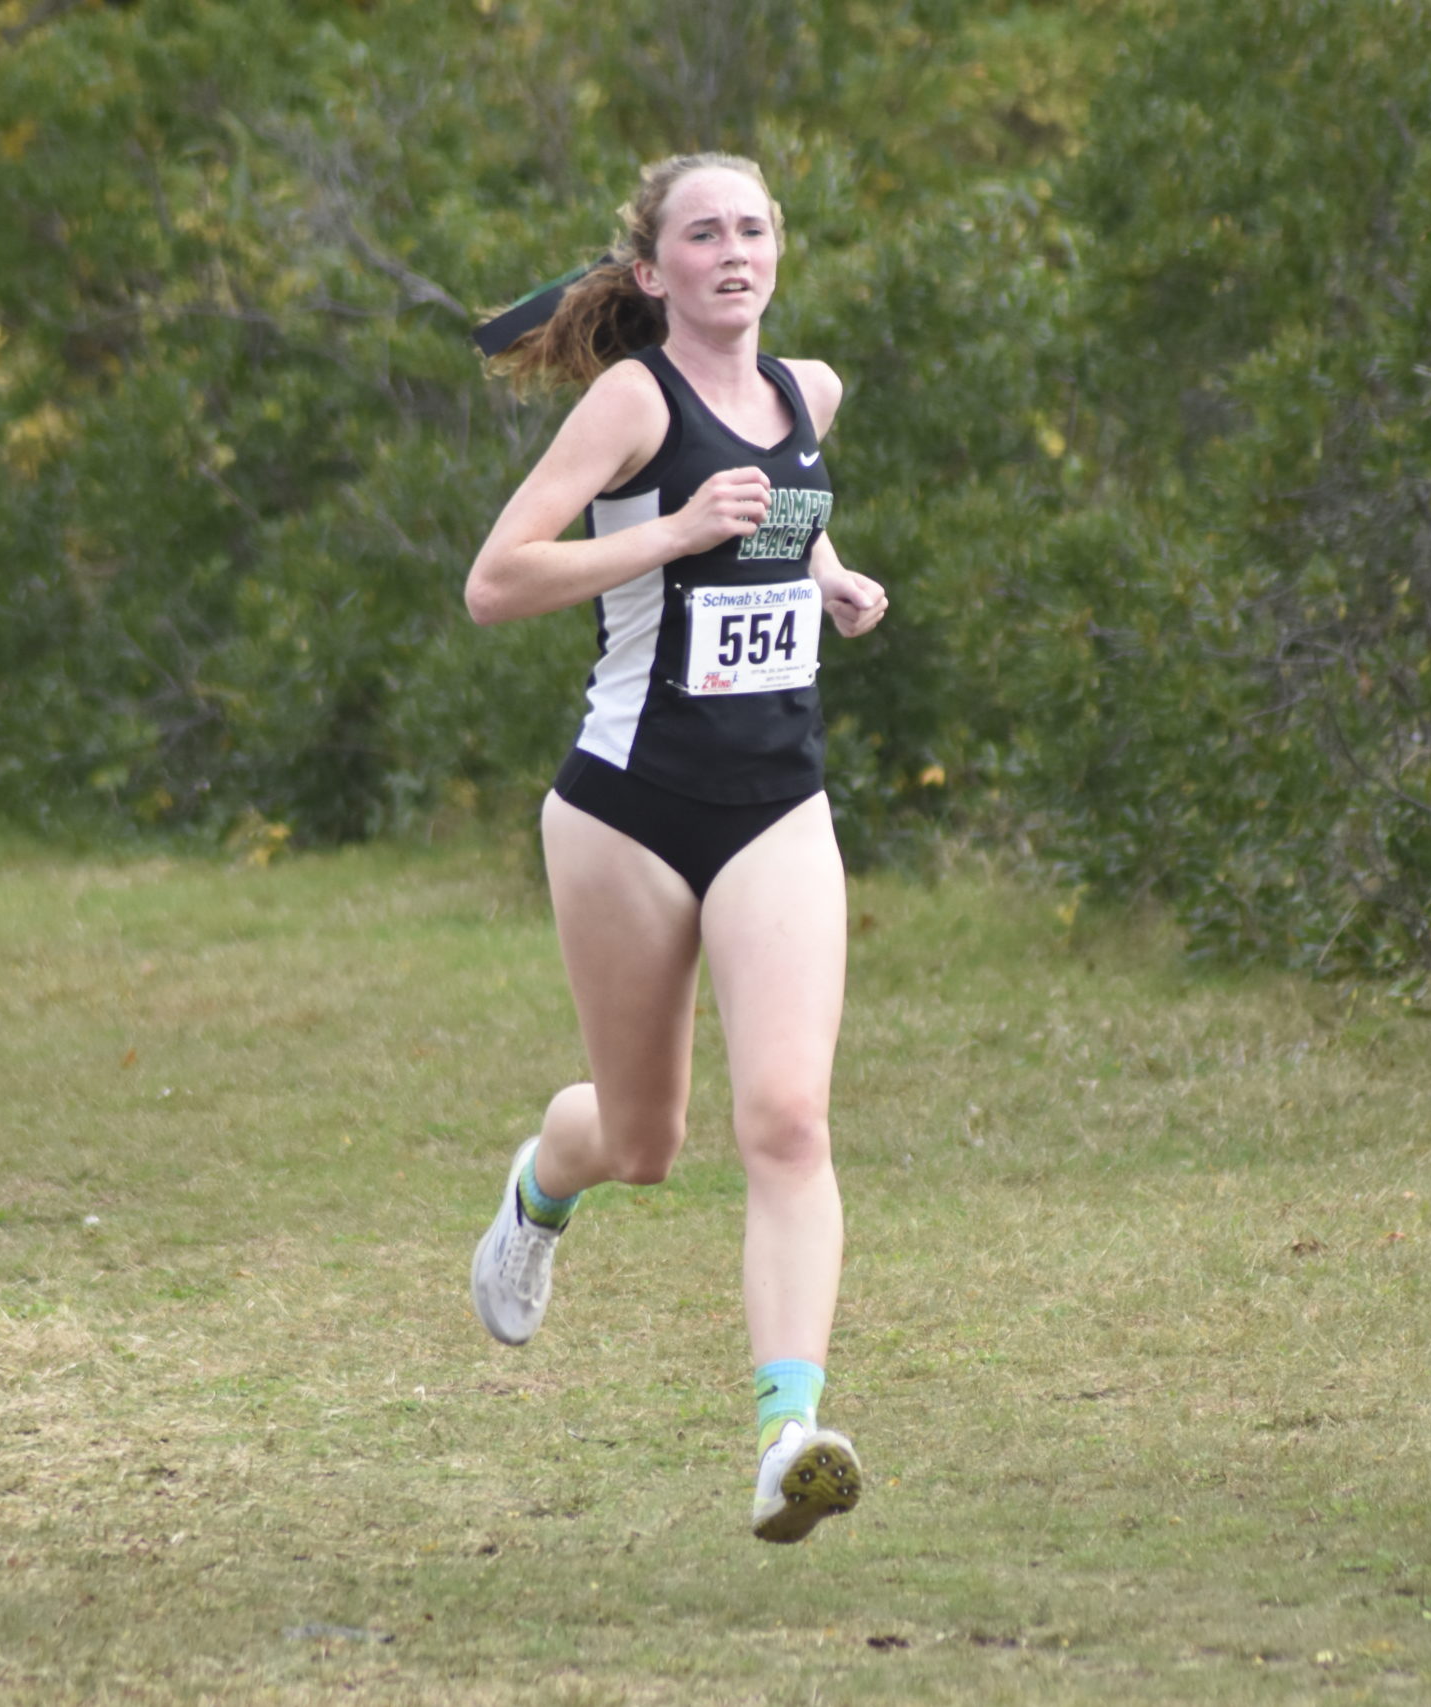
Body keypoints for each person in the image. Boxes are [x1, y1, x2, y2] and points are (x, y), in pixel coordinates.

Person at [461, 153, 889, 1545]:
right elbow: (496, 582)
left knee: (789, 1120)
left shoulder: (807, 394)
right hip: (623, 811)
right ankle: (540, 1188)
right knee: (642, 1141)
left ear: (779, 253)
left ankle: (789, 1436)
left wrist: (826, 580)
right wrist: (669, 539)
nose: (733, 251)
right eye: (702, 233)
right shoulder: (630, 403)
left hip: (778, 802)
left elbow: (781, 524)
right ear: (653, 273)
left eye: (754, 228)